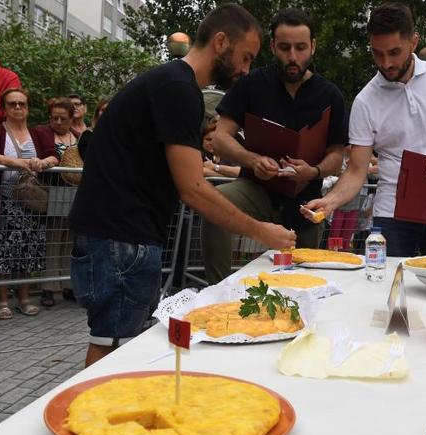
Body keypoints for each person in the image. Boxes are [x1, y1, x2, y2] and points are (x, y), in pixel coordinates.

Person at [69, 4, 295, 367]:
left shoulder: (170, 83)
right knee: (114, 347)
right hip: (122, 239)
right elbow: (193, 187)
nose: (245, 69)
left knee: (115, 342)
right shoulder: (178, 88)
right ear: (221, 42)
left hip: (121, 236)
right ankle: (90, 418)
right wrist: (261, 231)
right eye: (246, 57)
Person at [302, 2, 426, 256]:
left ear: (413, 42)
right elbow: (357, 170)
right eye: (377, 53)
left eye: (394, 52)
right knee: (386, 288)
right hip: (391, 214)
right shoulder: (366, 100)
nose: (385, 63)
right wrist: (330, 201)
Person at [204, 8, 347, 284]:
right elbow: (221, 138)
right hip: (256, 187)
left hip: (306, 198)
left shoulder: (331, 95)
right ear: (272, 46)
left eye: (300, 48)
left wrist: (314, 171)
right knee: (214, 204)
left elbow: (337, 156)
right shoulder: (250, 84)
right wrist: (252, 160)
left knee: (305, 277)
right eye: (284, 48)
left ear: (313, 47)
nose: (292, 57)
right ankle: (219, 289)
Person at [0, 88, 58, 320]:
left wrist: (43, 162)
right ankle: (2, 300)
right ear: (4, 108)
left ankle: (24, 298)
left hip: (31, 203)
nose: (18, 108)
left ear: (28, 108)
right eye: (12, 104)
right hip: (2, 201)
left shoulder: (38, 133)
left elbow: (54, 154)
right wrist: (17, 162)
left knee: (27, 251)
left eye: (22, 103)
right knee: (3, 252)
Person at [39, 97, 80, 307]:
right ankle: (49, 286)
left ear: (71, 119)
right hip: (55, 190)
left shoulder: (78, 137)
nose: (57, 121)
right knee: (54, 238)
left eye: (62, 118)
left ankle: (68, 284)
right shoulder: (43, 133)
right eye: (53, 117)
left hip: (76, 192)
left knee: (70, 239)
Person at [76, 96, 109, 160]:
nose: (107, 113)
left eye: (111, 109)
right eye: (103, 110)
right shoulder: (89, 135)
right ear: (97, 113)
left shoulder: (121, 134)